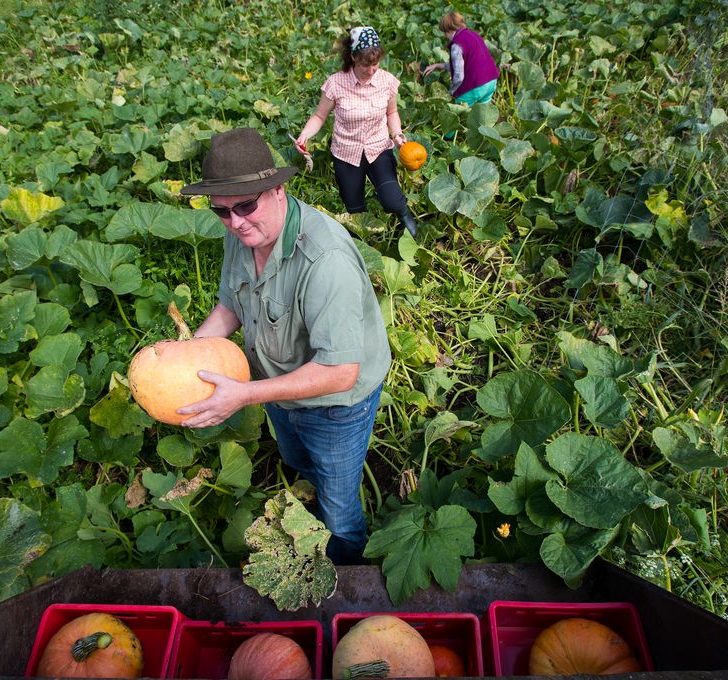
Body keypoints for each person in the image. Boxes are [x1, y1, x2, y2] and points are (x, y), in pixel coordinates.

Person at [178, 127, 392, 566]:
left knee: (338, 507)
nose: (235, 222)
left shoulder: (324, 259)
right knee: (298, 459)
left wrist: (243, 396)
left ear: (277, 189)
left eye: (245, 206)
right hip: (278, 391)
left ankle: (349, 567)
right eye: (222, 212)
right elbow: (231, 304)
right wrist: (190, 351)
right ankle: (315, 490)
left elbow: (339, 373)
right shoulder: (242, 233)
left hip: (336, 404)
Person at [295, 26, 420, 237]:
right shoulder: (336, 83)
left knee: (392, 200)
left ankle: (404, 213)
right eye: (365, 65)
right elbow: (319, 116)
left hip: (378, 147)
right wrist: (305, 134)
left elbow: (392, 112)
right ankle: (364, 240)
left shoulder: (386, 80)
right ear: (353, 58)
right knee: (354, 208)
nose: (371, 70)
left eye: (375, 64)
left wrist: (397, 134)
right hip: (346, 152)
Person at [422, 12, 500, 106]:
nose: (445, 36)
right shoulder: (474, 35)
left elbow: (459, 76)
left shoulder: (457, 45)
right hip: (491, 82)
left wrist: (451, 93)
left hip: (476, 86)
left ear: (448, 31)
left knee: (461, 112)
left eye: (444, 33)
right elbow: (466, 64)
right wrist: (437, 65)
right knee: (483, 114)